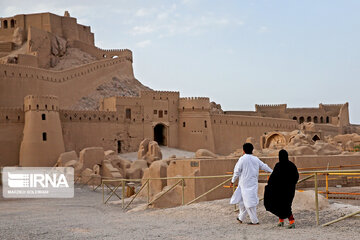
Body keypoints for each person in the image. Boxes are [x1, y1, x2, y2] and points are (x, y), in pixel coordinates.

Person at [230, 143, 273, 225]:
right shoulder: (255, 159)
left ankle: (254, 220)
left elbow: (236, 171)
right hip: (251, 184)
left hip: (245, 184)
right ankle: (240, 217)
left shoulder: (242, 159)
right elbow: (264, 166)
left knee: (249, 203)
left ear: (243, 150)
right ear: (252, 150)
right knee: (243, 202)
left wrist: (232, 181)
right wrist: (273, 172)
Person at [264, 149, 299, 229]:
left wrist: (270, 186)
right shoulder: (292, 165)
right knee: (284, 205)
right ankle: (281, 221)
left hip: (280, 190)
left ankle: (292, 222)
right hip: (289, 190)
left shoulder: (278, 165)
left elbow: (272, 178)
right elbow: (296, 177)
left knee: (283, 205)